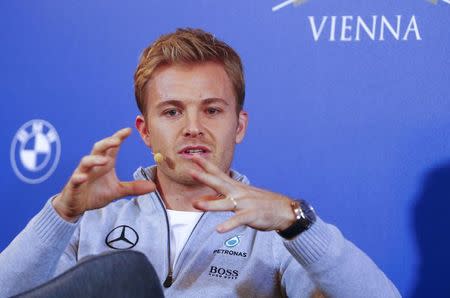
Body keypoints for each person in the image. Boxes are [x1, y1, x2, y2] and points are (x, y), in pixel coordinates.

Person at [0, 28, 400, 297]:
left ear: (239, 125)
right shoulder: (92, 220)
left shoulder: (275, 232)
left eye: (211, 110)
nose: (193, 127)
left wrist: (294, 221)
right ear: (145, 130)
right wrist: (62, 213)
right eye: (172, 112)